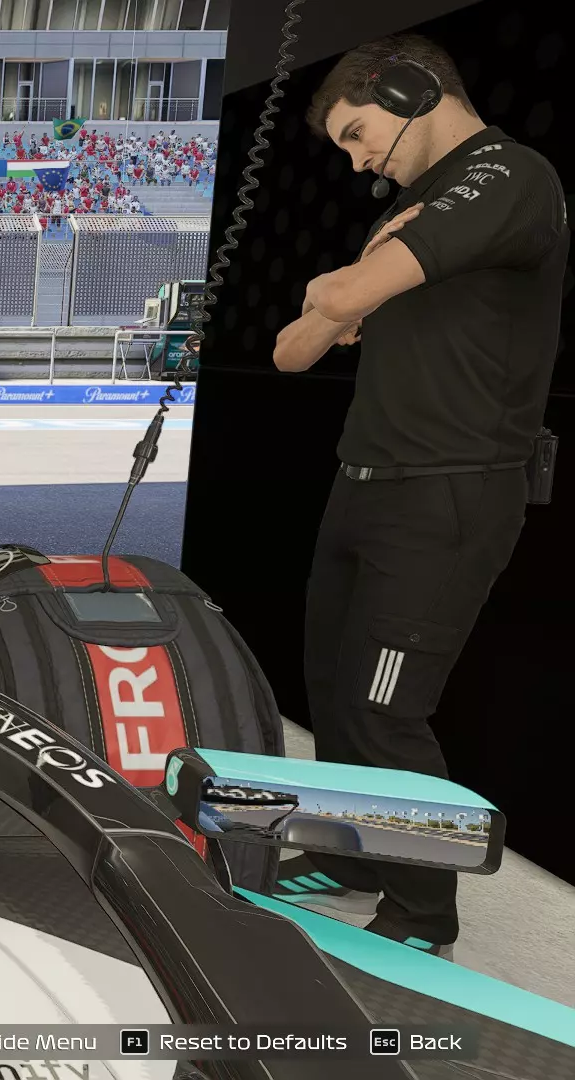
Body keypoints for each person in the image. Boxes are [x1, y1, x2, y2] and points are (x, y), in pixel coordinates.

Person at [271, 35, 567, 958]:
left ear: (410, 89)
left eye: (359, 134)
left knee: (385, 712)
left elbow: (339, 300)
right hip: (363, 483)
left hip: (448, 495)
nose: (359, 162)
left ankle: (423, 915)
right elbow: (291, 351)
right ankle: (356, 859)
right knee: (335, 698)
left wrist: (345, 288)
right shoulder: (413, 213)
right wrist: (344, 293)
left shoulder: (506, 178)